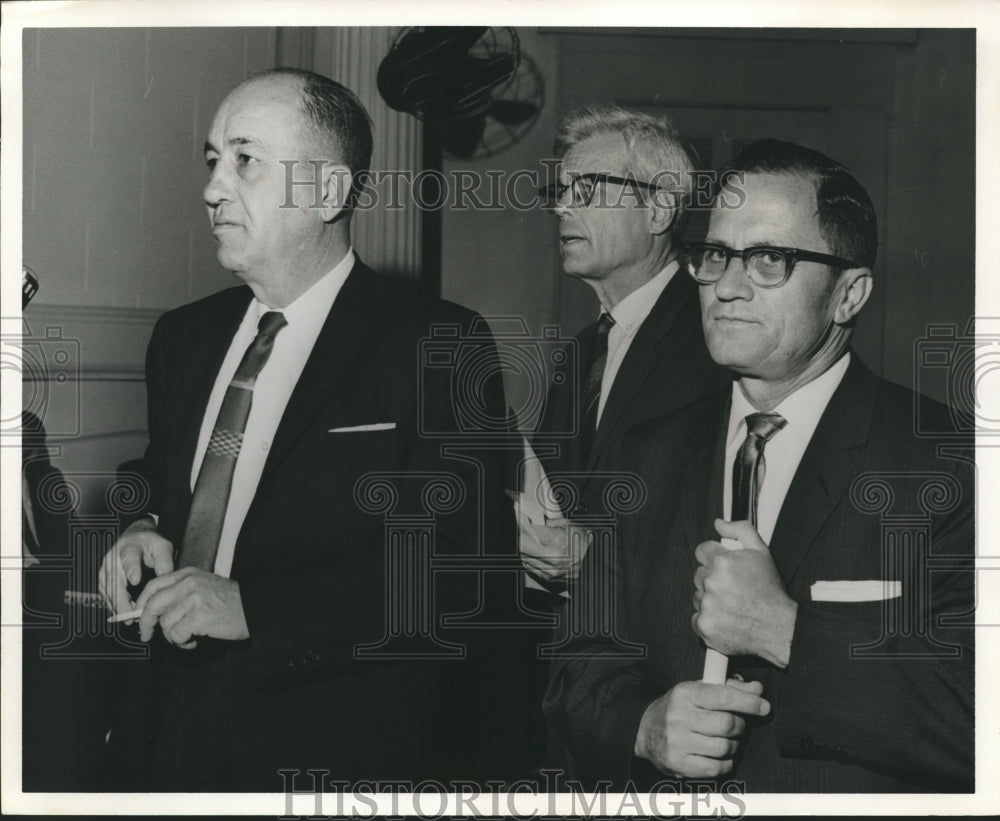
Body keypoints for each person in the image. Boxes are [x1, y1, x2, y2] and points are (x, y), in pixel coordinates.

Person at [97, 68, 519, 790]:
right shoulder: (182, 337)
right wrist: (139, 522)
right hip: (168, 727)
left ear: (327, 192)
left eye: (245, 159)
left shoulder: (435, 342)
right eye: (211, 160)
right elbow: (159, 467)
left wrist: (252, 608)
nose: (212, 189)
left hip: (328, 746)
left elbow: (455, 572)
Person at [544, 140, 974, 792]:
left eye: (770, 259)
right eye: (715, 255)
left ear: (849, 294)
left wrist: (788, 630)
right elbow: (577, 668)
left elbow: (975, 716)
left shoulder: (948, 459)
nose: (728, 285)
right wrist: (642, 725)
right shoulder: (643, 454)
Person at [522, 103, 728, 593]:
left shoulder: (715, 340)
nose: (562, 208)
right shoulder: (578, 356)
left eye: (587, 190)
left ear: (657, 210)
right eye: (562, 192)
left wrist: (596, 562)